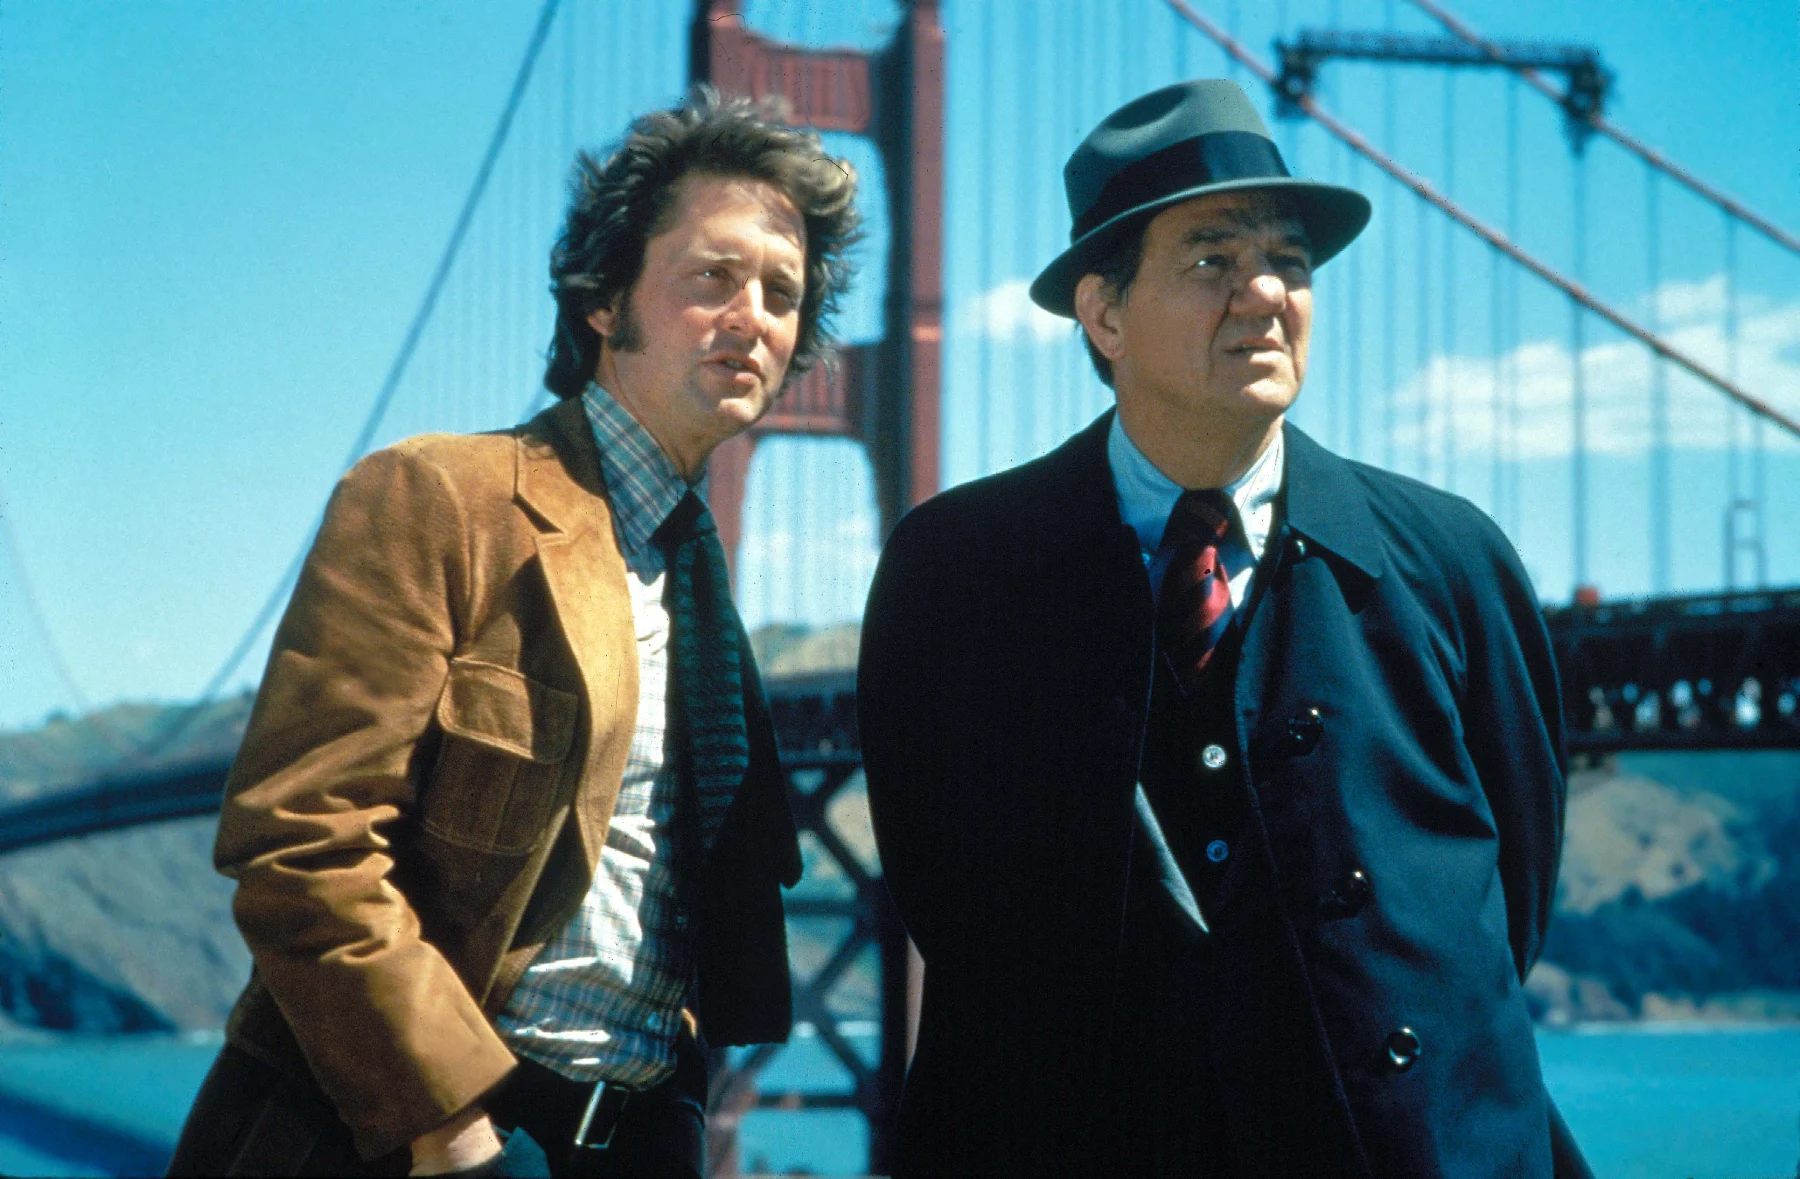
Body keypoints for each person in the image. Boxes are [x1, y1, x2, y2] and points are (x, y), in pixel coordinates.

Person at [858, 79, 1590, 1177]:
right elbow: (939, 891)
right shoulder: (954, 571)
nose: (1266, 295)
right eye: (1213, 261)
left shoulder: (1453, 561)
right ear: (1104, 315)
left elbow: (1514, 888)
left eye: (1289, 262)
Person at [168, 89, 859, 1178]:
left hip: (637, 1138)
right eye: (713, 277)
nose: (753, 316)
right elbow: (301, 841)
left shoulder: (698, 589)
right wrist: (455, 1132)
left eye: (783, 292)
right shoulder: (440, 499)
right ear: (605, 300)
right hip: (421, 1138)